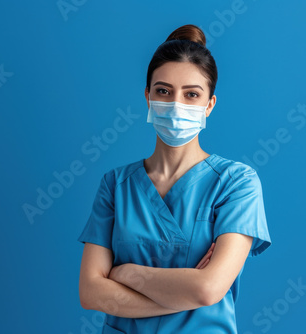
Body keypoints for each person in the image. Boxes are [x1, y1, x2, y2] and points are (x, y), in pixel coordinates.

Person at [76, 24, 272, 334]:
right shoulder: (116, 185)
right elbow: (90, 293)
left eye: (191, 94)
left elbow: (208, 289)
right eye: (163, 91)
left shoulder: (236, 183)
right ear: (148, 97)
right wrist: (186, 294)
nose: (176, 105)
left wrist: (123, 273)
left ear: (209, 105)